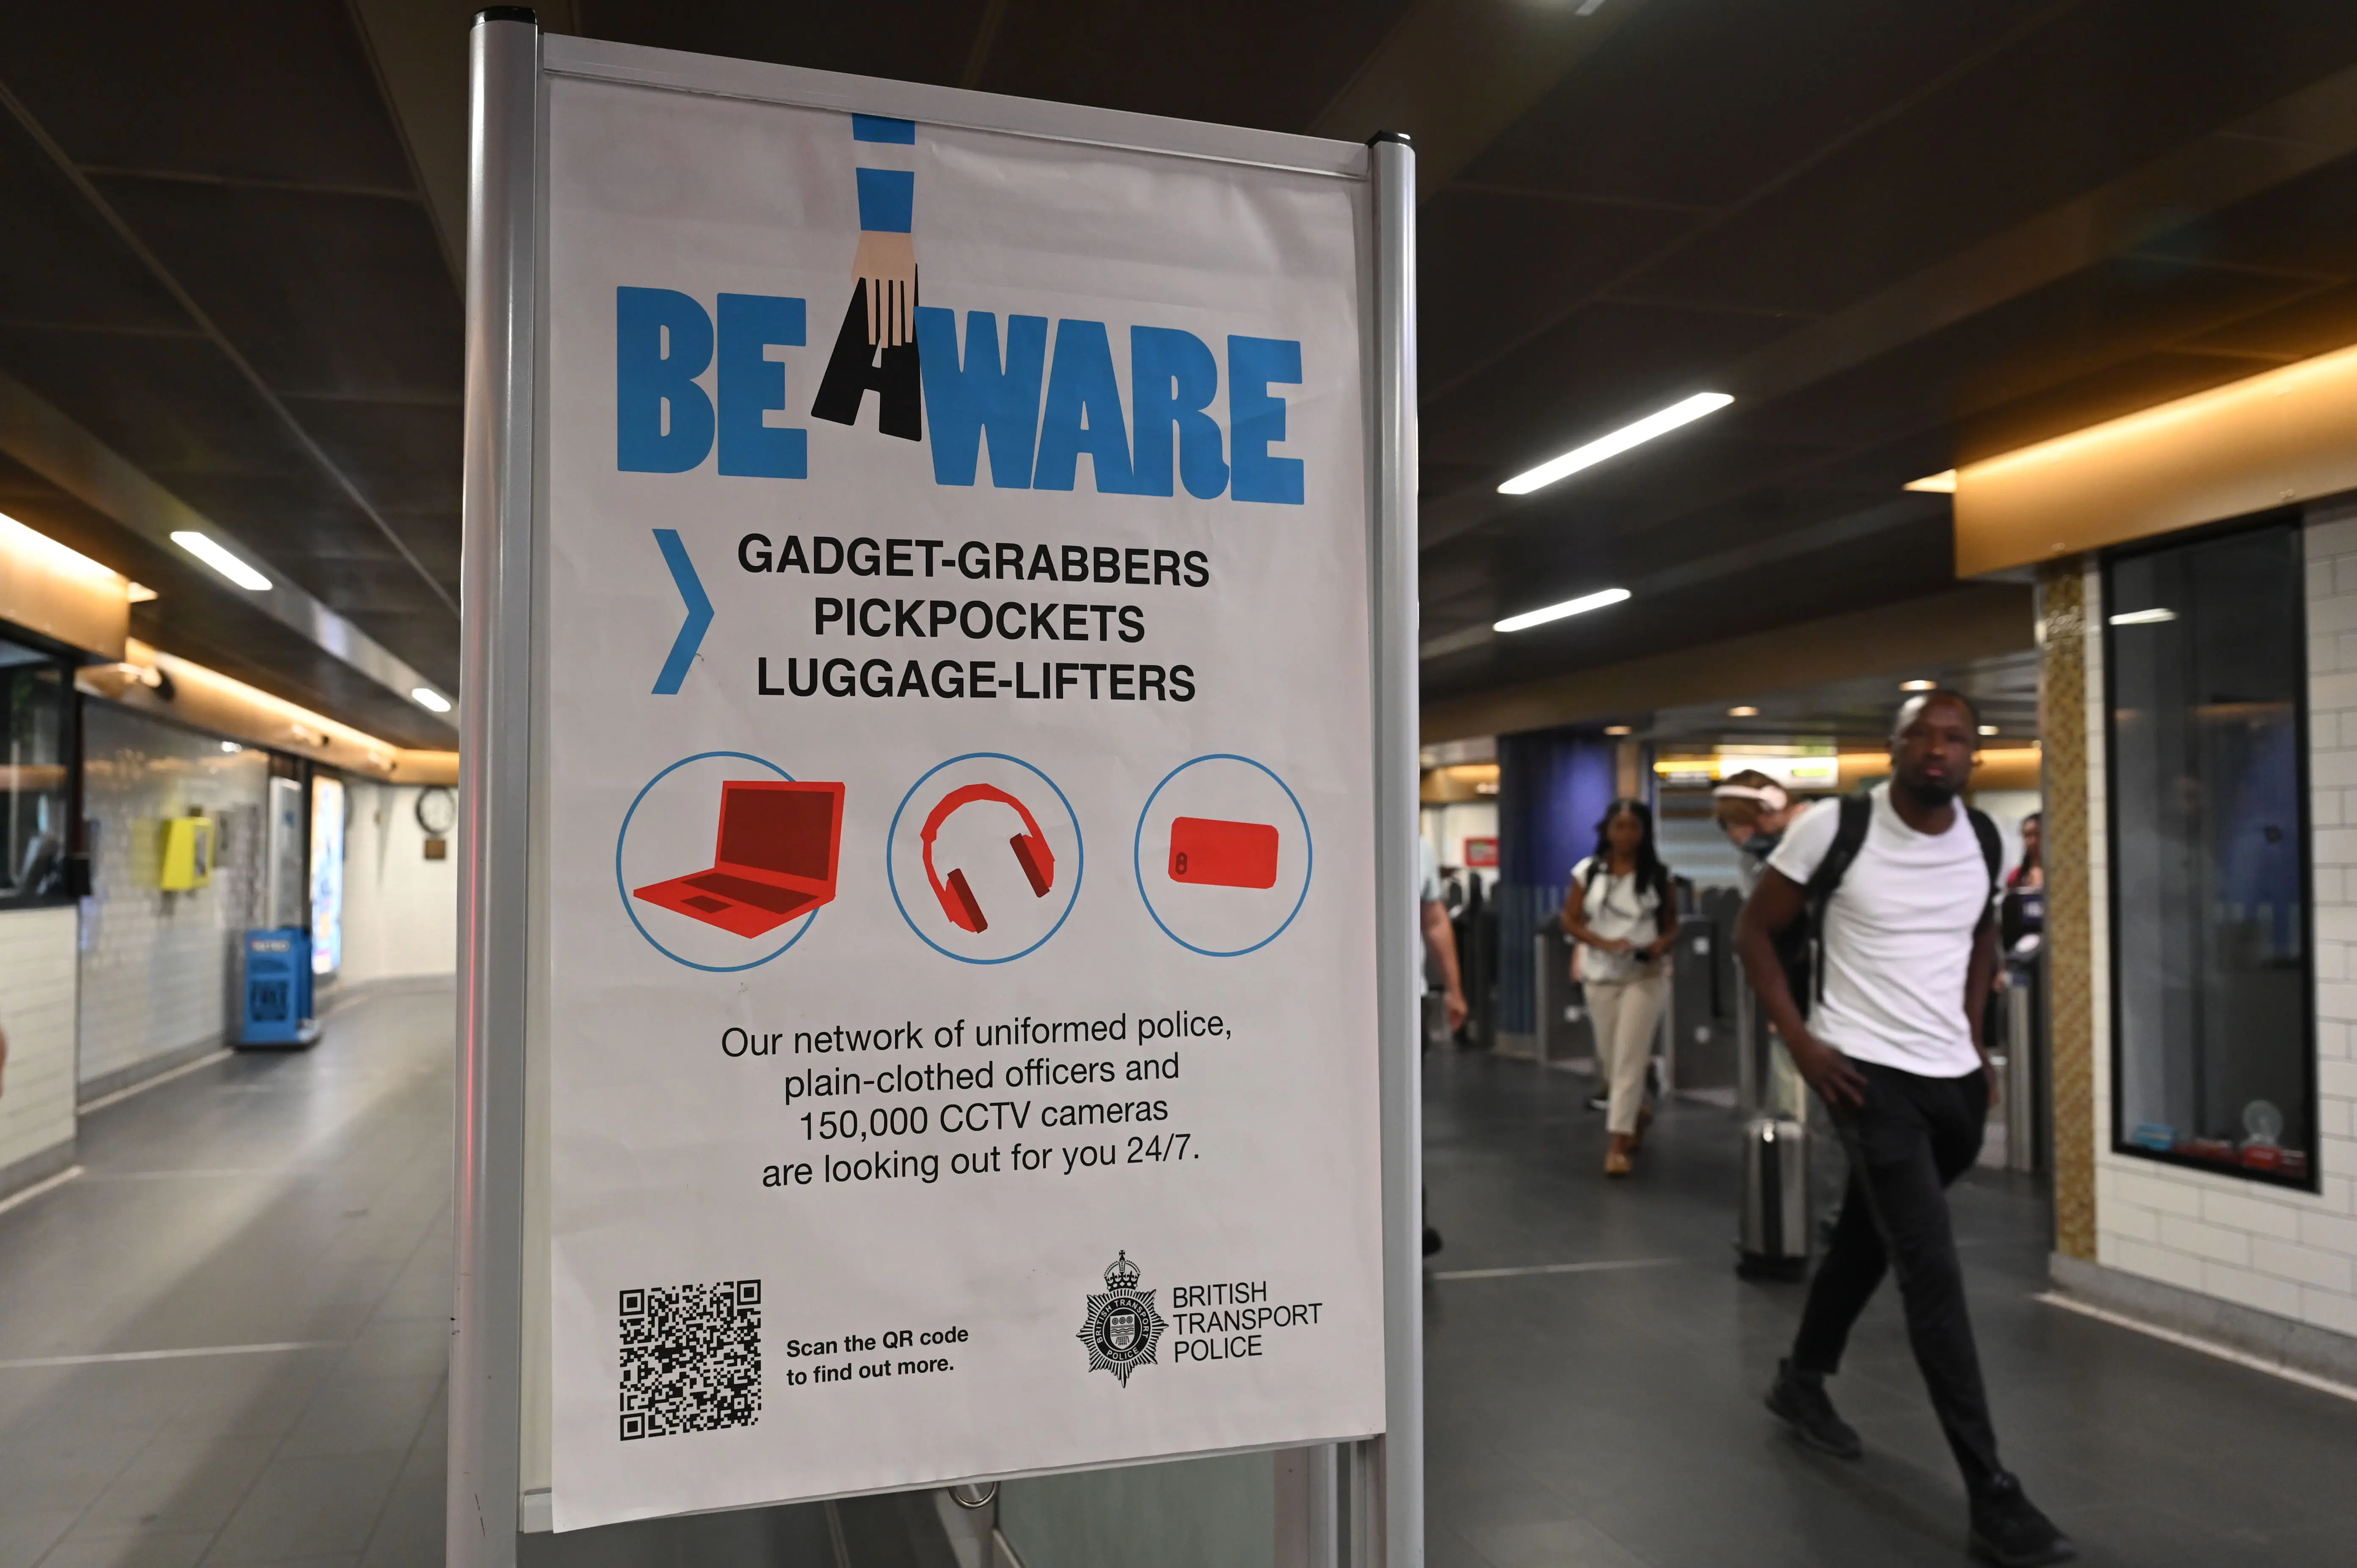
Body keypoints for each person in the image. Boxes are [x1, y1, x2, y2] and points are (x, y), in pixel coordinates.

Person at [1735, 691, 2073, 1568]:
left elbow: (1979, 940)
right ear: (1891, 752)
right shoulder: (1833, 831)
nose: (1935, 748)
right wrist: (1804, 1046)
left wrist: (1970, 1038)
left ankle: (1800, 1378)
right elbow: (1753, 934)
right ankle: (1991, 1493)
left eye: (1952, 737)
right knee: (1929, 1268)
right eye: (1918, 735)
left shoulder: (1987, 839)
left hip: (1950, 1087)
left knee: (1867, 1234)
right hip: (1862, 1076)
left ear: (1974, 756)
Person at [1561, 800, 1678, 1176]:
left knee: (1630, 1057)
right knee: (1611, 1062)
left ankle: (1616, 1143)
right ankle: (1637, 1112)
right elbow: (1570, 919)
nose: (1626, 835)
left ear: (1644, 833)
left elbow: (1671, 924)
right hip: (1601, 973)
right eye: (1619, 826)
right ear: (1607, 830)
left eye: (1634, 827)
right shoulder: (1589, 872)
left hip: (1644, 977)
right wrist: (1600, 942)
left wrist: (1660, 945)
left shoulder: (1659, 876)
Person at [1421, 838, 1468, 1255]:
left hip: (1400, 1004)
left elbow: (1433, 919)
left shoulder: (1414, 843)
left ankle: (1408, 1220)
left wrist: (1453, 988)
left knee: (1397, 1118)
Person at [1713, 769, 1803, 895]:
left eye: (1749, 823)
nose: (1743, 837)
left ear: (1776, 803)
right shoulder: (1751, 859)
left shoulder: (1815, 832)